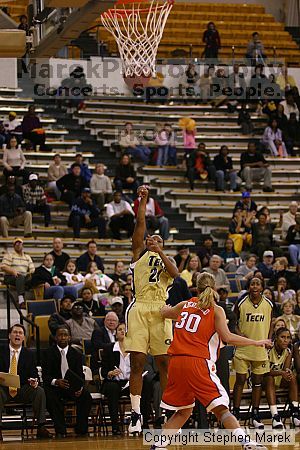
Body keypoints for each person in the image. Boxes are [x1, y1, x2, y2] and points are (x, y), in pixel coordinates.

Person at [150, 272, 271, 450]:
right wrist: (256, 342)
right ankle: (246, 443)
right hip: (197, 362)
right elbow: (228, 337)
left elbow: (164, 312)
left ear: (195, 288)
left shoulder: (184, 305)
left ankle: (158, 446)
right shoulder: (217, 310)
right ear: (213, 287)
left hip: (175, 362)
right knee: (221, 408)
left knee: (183, 411)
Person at [125, 185, 178, 433]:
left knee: (164, 363)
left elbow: (176, 275)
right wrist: (142, 200)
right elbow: (140, 222)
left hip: (160, 310)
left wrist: (162, 252)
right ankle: (135, 414)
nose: (154, 241)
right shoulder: (138, 253)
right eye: (151, 239)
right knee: (137, 362)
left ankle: (167, 410)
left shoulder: (168, 261)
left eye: (159, 240)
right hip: (139, 308)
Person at [232, 277, 273, 429]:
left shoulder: (268, 304)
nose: (255, 286)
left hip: (260, 349)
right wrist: (238, 334)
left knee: (257, 382)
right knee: (240, 380)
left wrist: (268, 339)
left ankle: (254, 415)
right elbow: (233, 322)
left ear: (262, 287)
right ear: (248, 287)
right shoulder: (241, 303)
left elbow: (271, 323)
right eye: (252, 284)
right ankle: (235, 413)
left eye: (258, 284)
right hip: (243, 348)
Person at [0, 324, 51, 440]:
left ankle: (41, 427)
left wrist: (34, 381)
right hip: (3, 388)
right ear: (9, 335)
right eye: (15, 332)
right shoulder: (1, 350)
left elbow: (33, 374)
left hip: (22, 388)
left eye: (20, 333)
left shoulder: (29, 354)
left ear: (23, 337)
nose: (17, 335)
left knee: (39, 391)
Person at [42, 326, 92, 438]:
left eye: (65, 335)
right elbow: (45, 376)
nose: (63, 337)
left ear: (69, 337)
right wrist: (56, 381)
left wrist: (80, 388)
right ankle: (60, 430)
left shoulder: (77, 354)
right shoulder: (47, 353)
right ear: (55, 338)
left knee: (86, 396)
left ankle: (81, 428)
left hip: (72, 387)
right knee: (50, 397)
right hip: (55, 387)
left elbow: (80, 375)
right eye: (60, 335)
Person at [265, 327, 300, 428]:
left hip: (279, 378)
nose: (286, 340)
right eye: (283, 337)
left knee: (292, 377)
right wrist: (282, 372)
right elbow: (265, 372)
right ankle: (275, 416)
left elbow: (285, 369)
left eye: (288, 337)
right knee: (270, 378)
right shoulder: (268, 349)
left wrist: (287, 372)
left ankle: (295, 413)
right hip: (263, 380)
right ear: (276, 338)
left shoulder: (289, 350)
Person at [2, 238, 35, 308]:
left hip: (22, 277)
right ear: (14, 246)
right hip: (10, 277)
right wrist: (13, 271)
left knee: (33, 278)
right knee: (20, 276)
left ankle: (37, 299)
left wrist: (31, 275)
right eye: (16, 244)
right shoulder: (9, 255)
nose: (18, 245)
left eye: (20, 244)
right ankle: (21, 300)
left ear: (22, 246)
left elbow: (32, 270)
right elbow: (3, 267)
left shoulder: (27, 257)